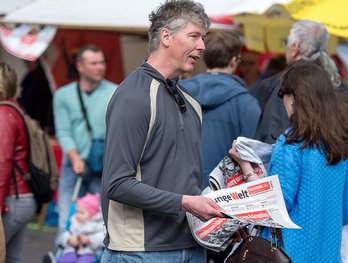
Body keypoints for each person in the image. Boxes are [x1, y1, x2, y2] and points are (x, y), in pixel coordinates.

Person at [100, 1, 226, 262]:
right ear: (166, 36)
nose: (202, 46)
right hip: (140, 252)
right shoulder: (133, 97)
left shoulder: (191, 102)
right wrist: (186, 203)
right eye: (194, 36)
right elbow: (116, 183)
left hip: (192, 245)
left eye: (203, 38)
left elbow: (184, 181)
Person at [229, 62, 348, 262]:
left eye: (282, 95)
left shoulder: (292, 142)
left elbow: (274, 206)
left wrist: (246, 167)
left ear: (293, 98)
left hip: (288, 255)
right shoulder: (344, 144)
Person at [250, 19, 348, 174]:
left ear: (295, 48)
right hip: (339, 184)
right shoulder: (345, 90)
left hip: (293, 185)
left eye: (287, 43)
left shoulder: (288, 87)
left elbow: (271, 146)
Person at [53, 45, 116, 247]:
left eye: (102, 62)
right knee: (66, 217)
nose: (100, 67)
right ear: (80, 66)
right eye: (94, 63)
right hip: (74, 164)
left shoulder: (115, 92)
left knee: (100, 220)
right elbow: (63, 131)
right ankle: (62, 256)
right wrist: (74, 158)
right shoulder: (63, 95)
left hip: (102, 166)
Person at [180, 30, 261, 188]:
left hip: (182, 194)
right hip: (227, 196)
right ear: (234, 61)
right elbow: (255, 157)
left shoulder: (178, 93)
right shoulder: (246, 103)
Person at [0, 63, 37, 262]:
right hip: (21, 198)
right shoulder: (14, 110)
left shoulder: (3, 114)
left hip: (12, 199)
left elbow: (2, 164)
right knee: (12, 258)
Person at [57, 193, 103, 263]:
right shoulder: (74, 222)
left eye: (81, 212)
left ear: (92, 213)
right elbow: (65, 234)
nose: (77, 215)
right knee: (67, 259)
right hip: (72, 250)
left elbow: (102, 239)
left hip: (89, 253)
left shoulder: (98, 225)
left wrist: (89, 239)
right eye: (76, 212)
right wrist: (69, 240)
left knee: (83, 261)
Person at [18, 59, 55, 135]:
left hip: (44, 121)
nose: (27, 64)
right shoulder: (28, 78)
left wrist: (49, 124)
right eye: (25, 62)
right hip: (32, 121)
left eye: (29, 61)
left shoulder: (44, 77)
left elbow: (49, 101)